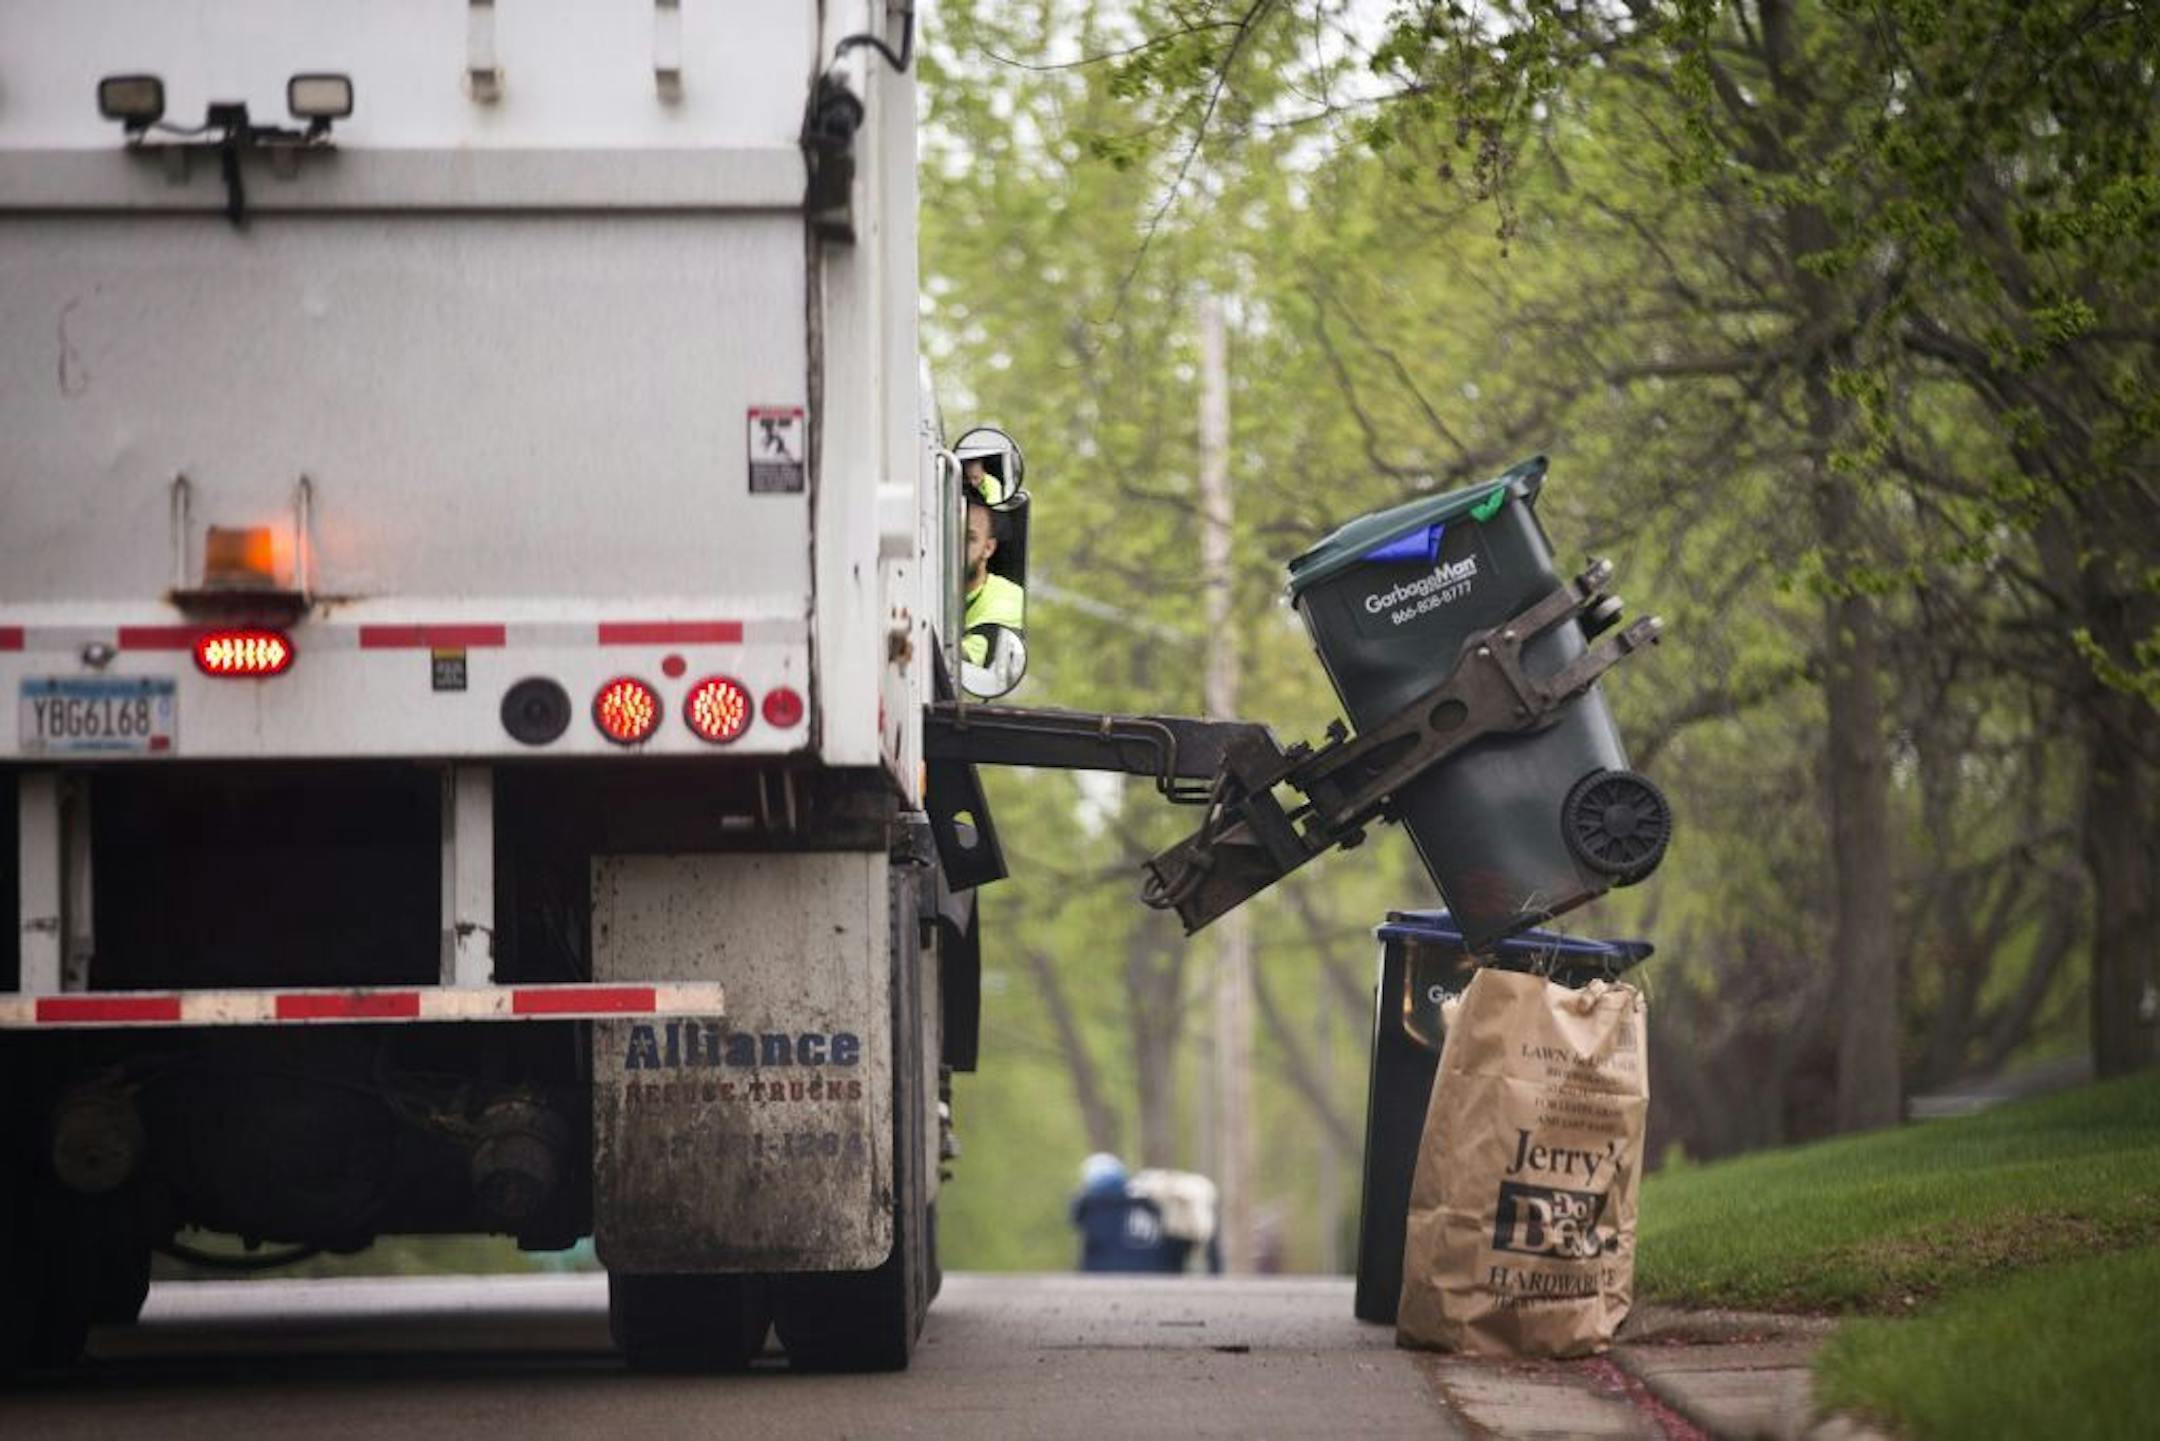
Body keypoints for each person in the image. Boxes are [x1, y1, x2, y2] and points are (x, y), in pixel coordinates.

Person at [961, 462, 1025, 669]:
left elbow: (963, 658)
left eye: (968, 538)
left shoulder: (1010, 602)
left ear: (988, 548)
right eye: (949, 535)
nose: (955, 548)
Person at [1068, 1153, 1170, 1273]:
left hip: (1105, 1276)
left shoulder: (1092, 1207)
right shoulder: (1151, 1204)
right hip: (1157, 1275)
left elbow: (1076, 1216)